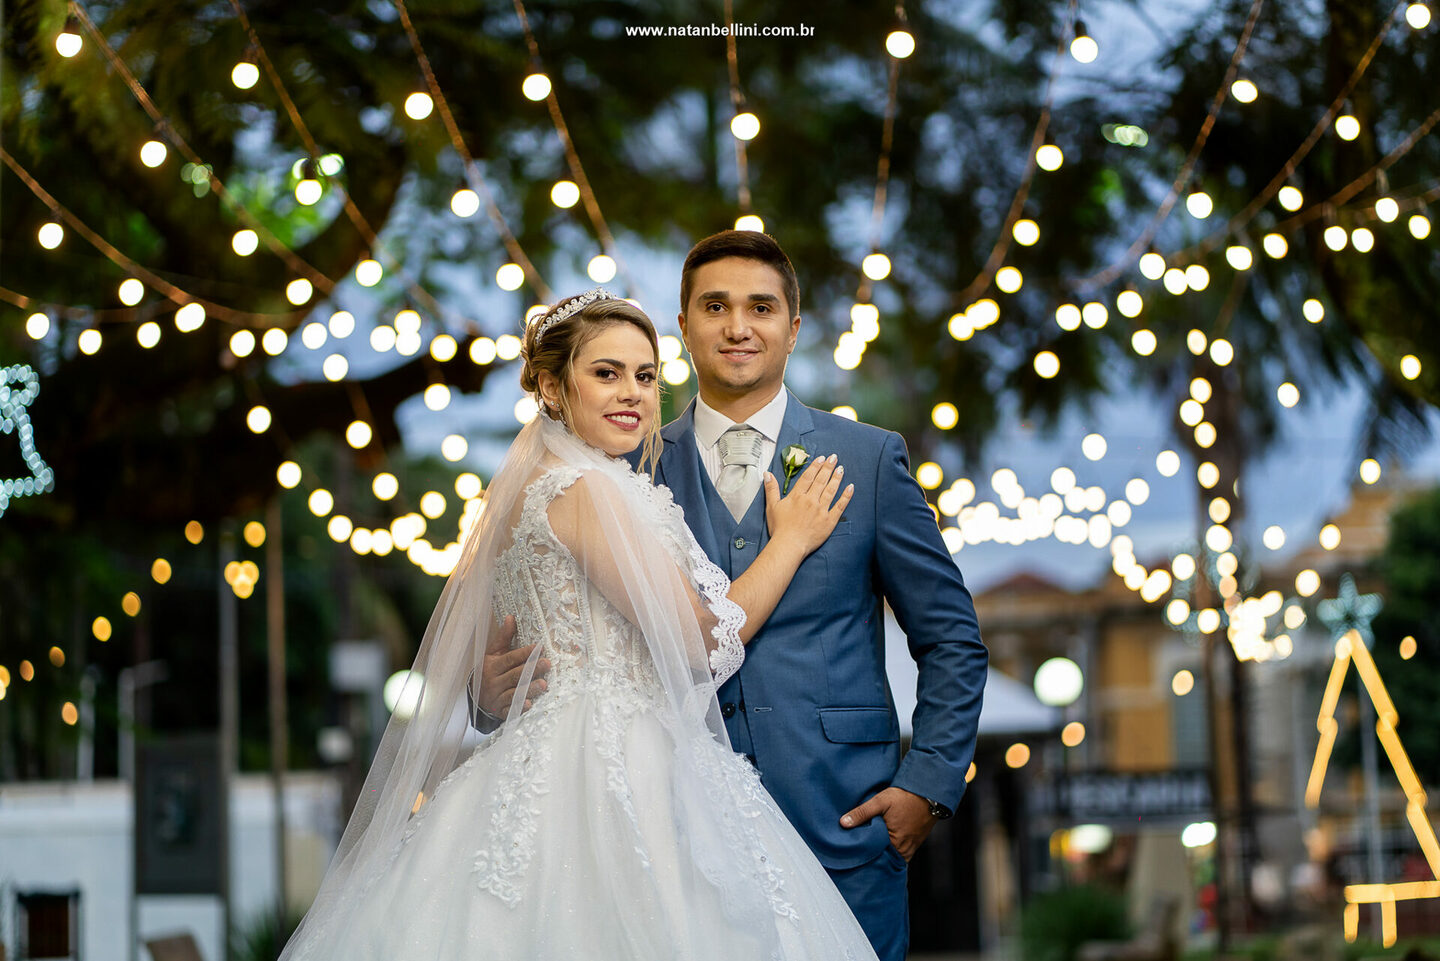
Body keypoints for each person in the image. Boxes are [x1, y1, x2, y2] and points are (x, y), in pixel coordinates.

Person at [278, 290, 880, 960]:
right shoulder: (584, 488)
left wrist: (485, 691)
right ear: (550, 386)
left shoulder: (527, 488)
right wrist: (790, 541)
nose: (632, 393)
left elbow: (497, 651)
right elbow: (699, 642)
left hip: (536, 755)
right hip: (612, 761)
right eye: (606, 373)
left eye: (645, 375)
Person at [650, 229, 989, 961]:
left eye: (760, 307)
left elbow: (951, 639)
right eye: (715, 306)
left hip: (844, 828)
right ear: (683, 324)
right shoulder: (635, 466)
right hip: (675, 841)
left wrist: (926, 785)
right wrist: (491, 687)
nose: (738, 327)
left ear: (794, 327)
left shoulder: (867, 458)